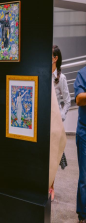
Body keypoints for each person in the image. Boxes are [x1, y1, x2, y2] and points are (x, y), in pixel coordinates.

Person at [49, 45, 71, 202]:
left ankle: (51, 186)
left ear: (55, 58)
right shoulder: (44, 74)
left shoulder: (61, 78)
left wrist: (60, 117)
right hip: (44, 121)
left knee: (53, 155)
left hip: (55, 123)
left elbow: (68, 101)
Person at [74, 55, 86, 223]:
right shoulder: (82, 74)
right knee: (85, 176)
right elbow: (78, 99)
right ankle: (83, 215)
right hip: (85, 131)